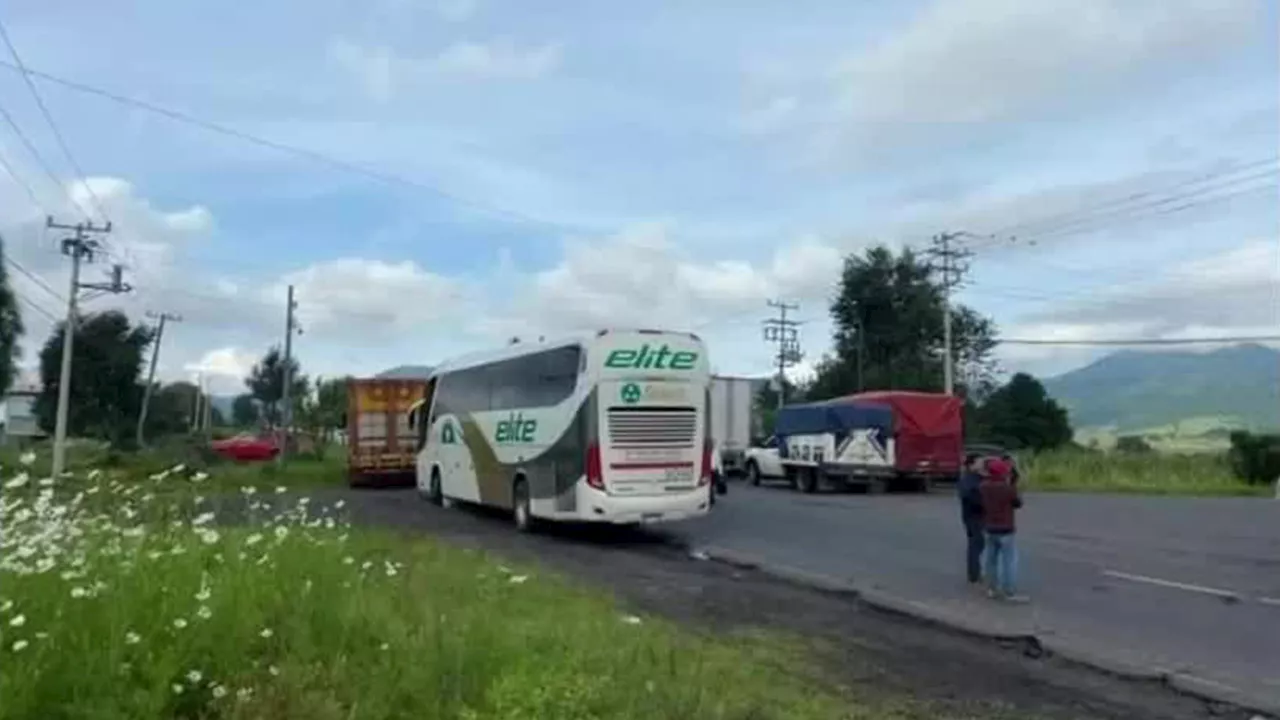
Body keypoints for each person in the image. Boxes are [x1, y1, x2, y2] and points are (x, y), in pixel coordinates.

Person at [979, 457, 1027, 602]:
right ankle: (1008, 591)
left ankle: (991, 589)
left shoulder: (983, 486)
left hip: (989, 526)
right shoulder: (1007, 489)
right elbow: (1018, 503)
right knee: (1009, 561)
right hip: (1006, 528)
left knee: (990, 560)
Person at [956, 453, 985, 585]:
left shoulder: (976, 478)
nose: (982, 464)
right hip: (973, 516)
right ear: (971, 464)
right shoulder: (968, 480)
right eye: (979, 462)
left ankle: (975, 572)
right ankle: (974, 574)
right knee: (976, 543)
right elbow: (968, 496)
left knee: (978, 543)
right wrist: (983, 502)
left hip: (975, 515)